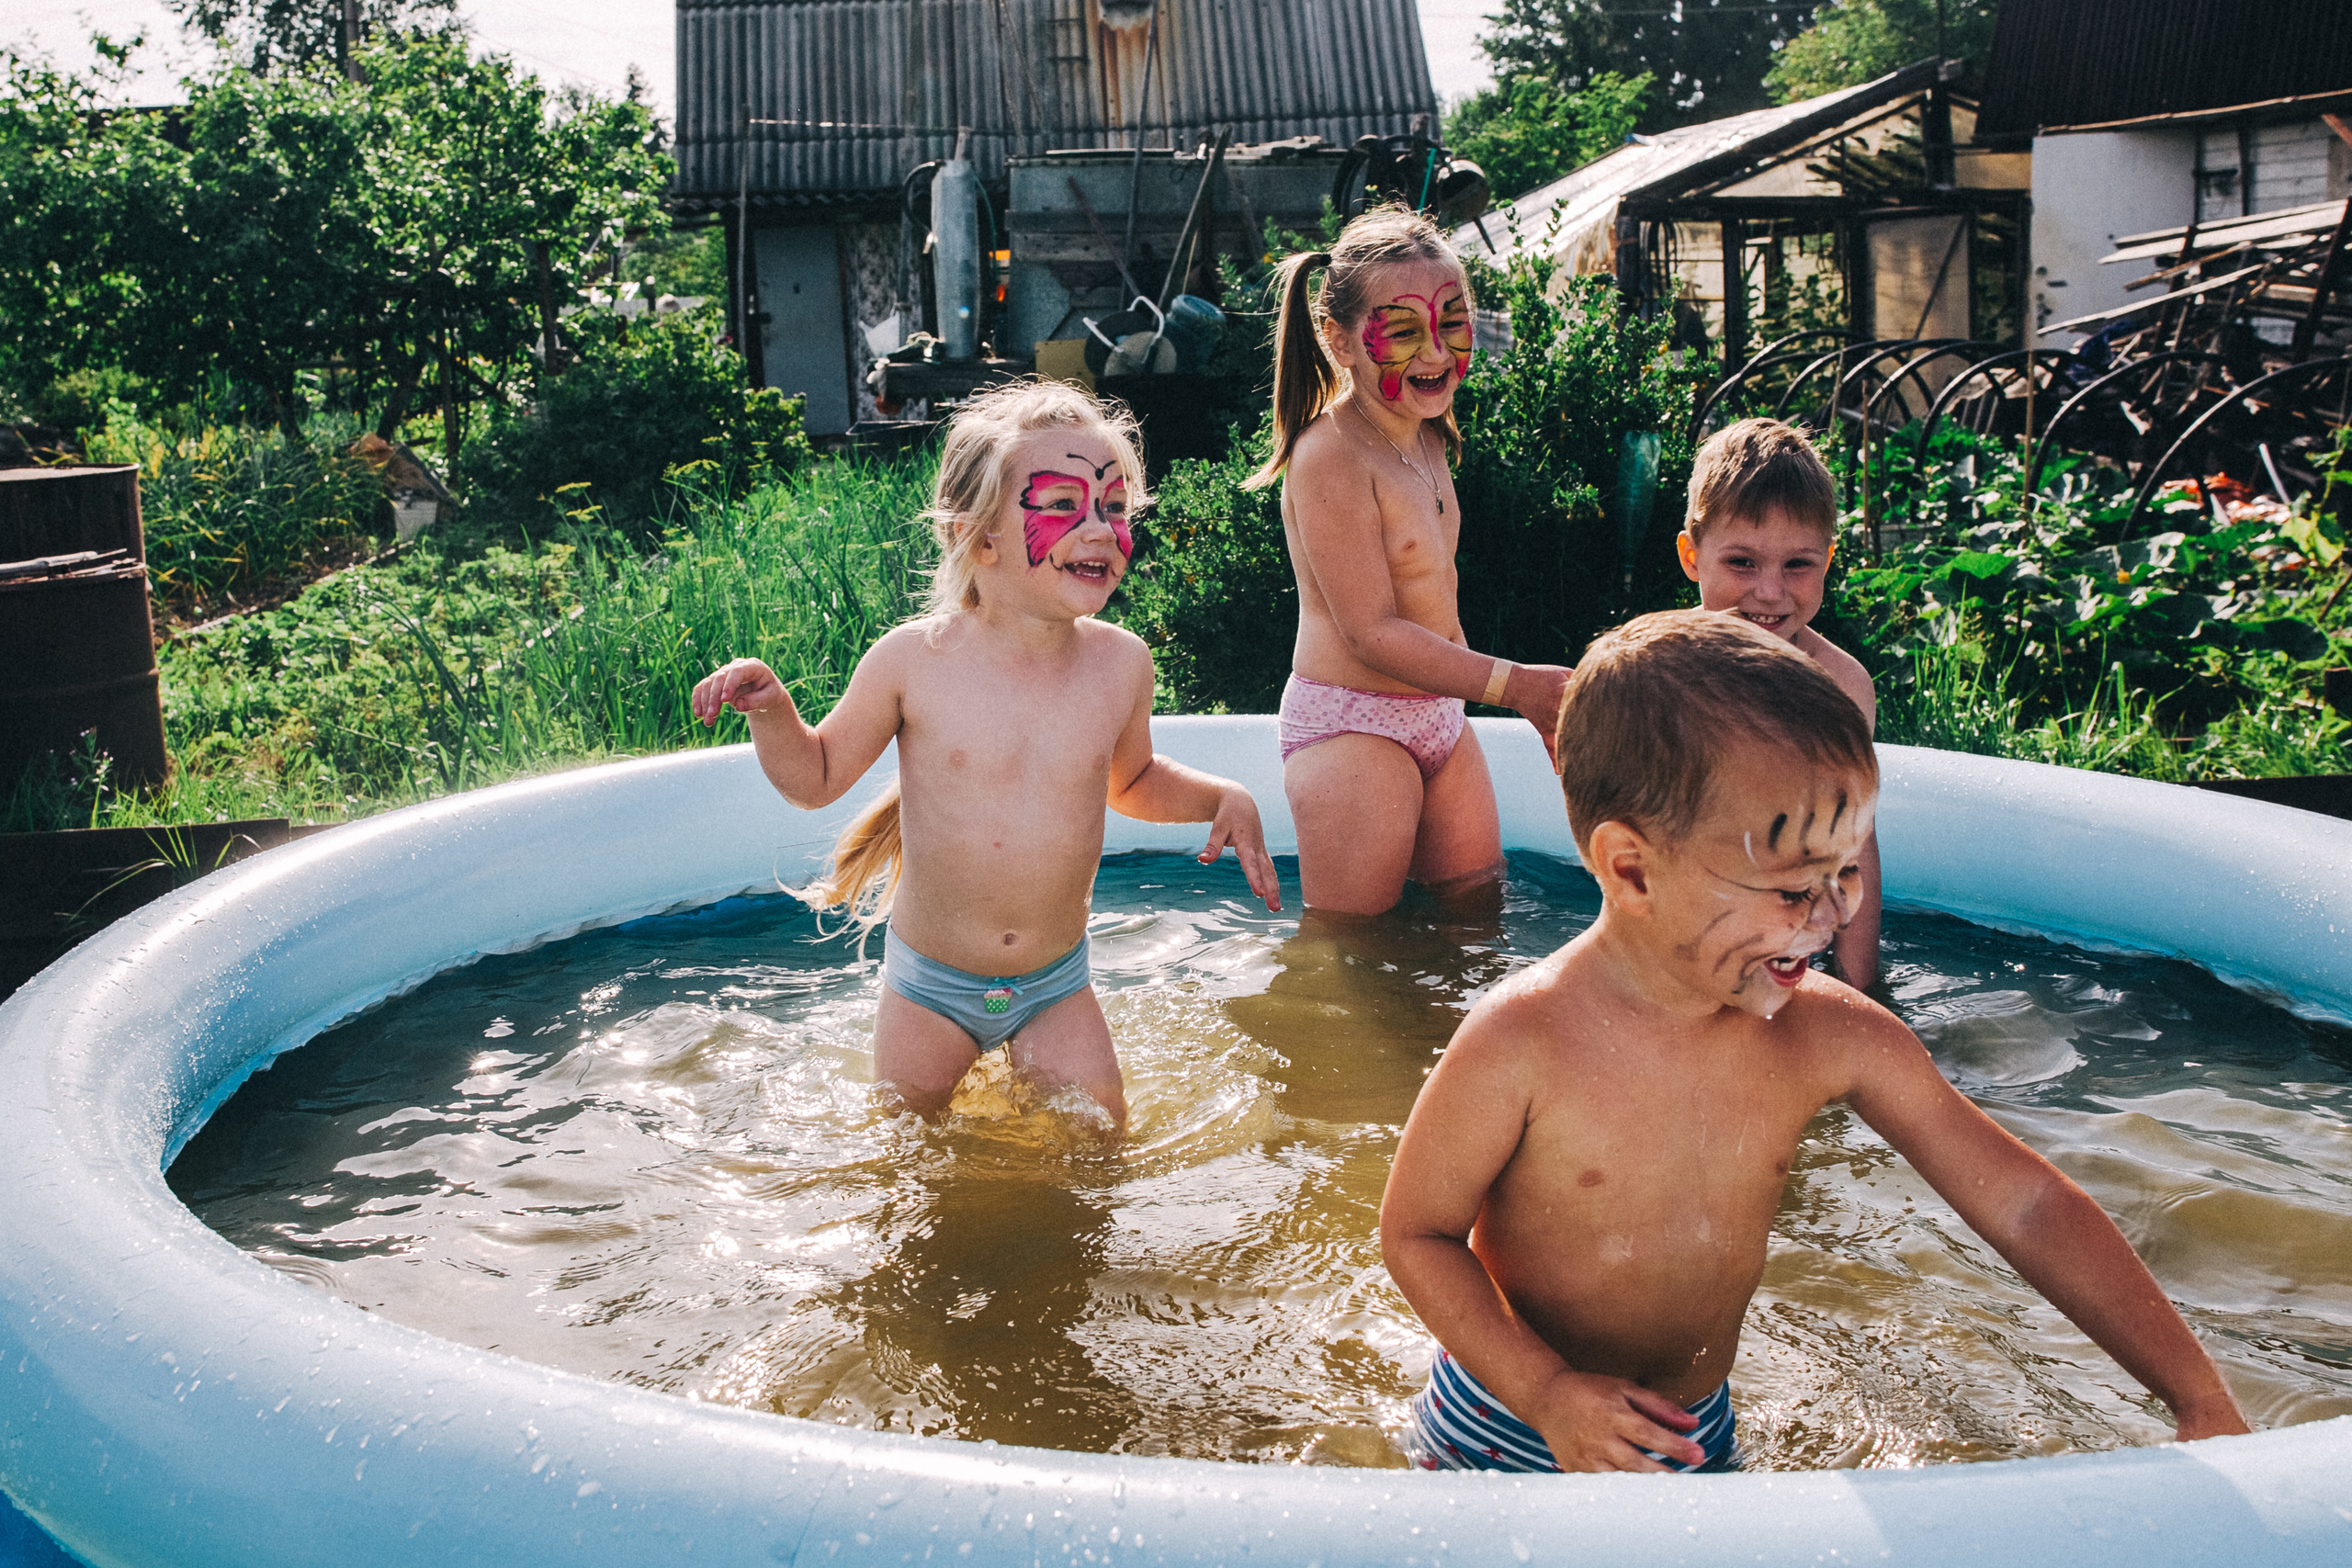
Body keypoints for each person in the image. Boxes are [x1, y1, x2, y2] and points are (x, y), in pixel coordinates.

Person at [1379, 610, 2249, 1473]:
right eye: (1795, 889)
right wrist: (1547, 1392)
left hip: (1694, 1430)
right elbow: (1417, 1233)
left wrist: (2199, 1398)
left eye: (1846, 873)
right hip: (1507, 1432)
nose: (1833, 916)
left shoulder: (1828, 1034)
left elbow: (2024, 1203)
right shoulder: (1524, 1038)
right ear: (1634, 868)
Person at [690, 380, 1281, 1135]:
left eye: (1114, 506)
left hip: (1056, 985)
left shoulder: (1120, 664)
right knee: (906, 1158)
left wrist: (1218, 795)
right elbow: (816, 777)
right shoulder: (915, 661)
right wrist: (774, 711)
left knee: (1102, 1145)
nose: (1100, 529)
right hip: (931, 988)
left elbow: (1129, 782)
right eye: (1063, 506)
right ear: (980, 537)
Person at [1243, 207, 1570, 916]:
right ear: (1342, 341)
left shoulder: (1426, 434)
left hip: (1440, 720)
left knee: (1476, 923)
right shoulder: (1331, 454)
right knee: (1350, 960)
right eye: (1404, 330)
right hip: (1353, 725)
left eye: (1452, 322)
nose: (1436, 351)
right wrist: (1517, 686)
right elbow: (1372, 632)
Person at [1677, 417, 1883, 990]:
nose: (1770, 592)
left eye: (1798, 564)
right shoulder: (1664, 678)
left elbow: (1857, 846)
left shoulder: (1841, 687)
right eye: (1742, 562)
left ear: (1828, 559)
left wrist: (1860, 993)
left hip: (1794, 948)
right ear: (1692, 557)